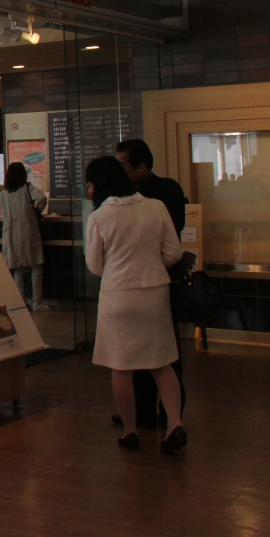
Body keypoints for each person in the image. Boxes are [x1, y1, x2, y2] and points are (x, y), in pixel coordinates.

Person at [84, 156, 186, 454]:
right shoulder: (155, 207)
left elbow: (94, 266)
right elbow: (174, 252)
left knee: (121, 367)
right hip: (154, 293)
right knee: (162, 363)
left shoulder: (100, 217)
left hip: (118, 295)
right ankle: (175, 424)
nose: (89, 189)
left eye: (90, 183)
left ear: (99, 184)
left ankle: (130, 431)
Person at [115, 138, 190, 428]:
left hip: (148, 282)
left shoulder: (147, 197)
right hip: (163, 279)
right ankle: (167, 414)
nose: (120, 172)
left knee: (145, 351)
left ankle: (147, 412)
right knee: (164, 350)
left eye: (123, 165)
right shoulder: (169, 189)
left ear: (141, 165)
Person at [0, 163, 48, 311]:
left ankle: (20, 301)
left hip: (10, 233)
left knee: (17, 267)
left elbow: (2, 213)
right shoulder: (27, 188)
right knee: (35, 265)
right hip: (28, 231)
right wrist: (37, 210)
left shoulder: (3, 193)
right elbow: (42, 198)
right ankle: (37, 302)